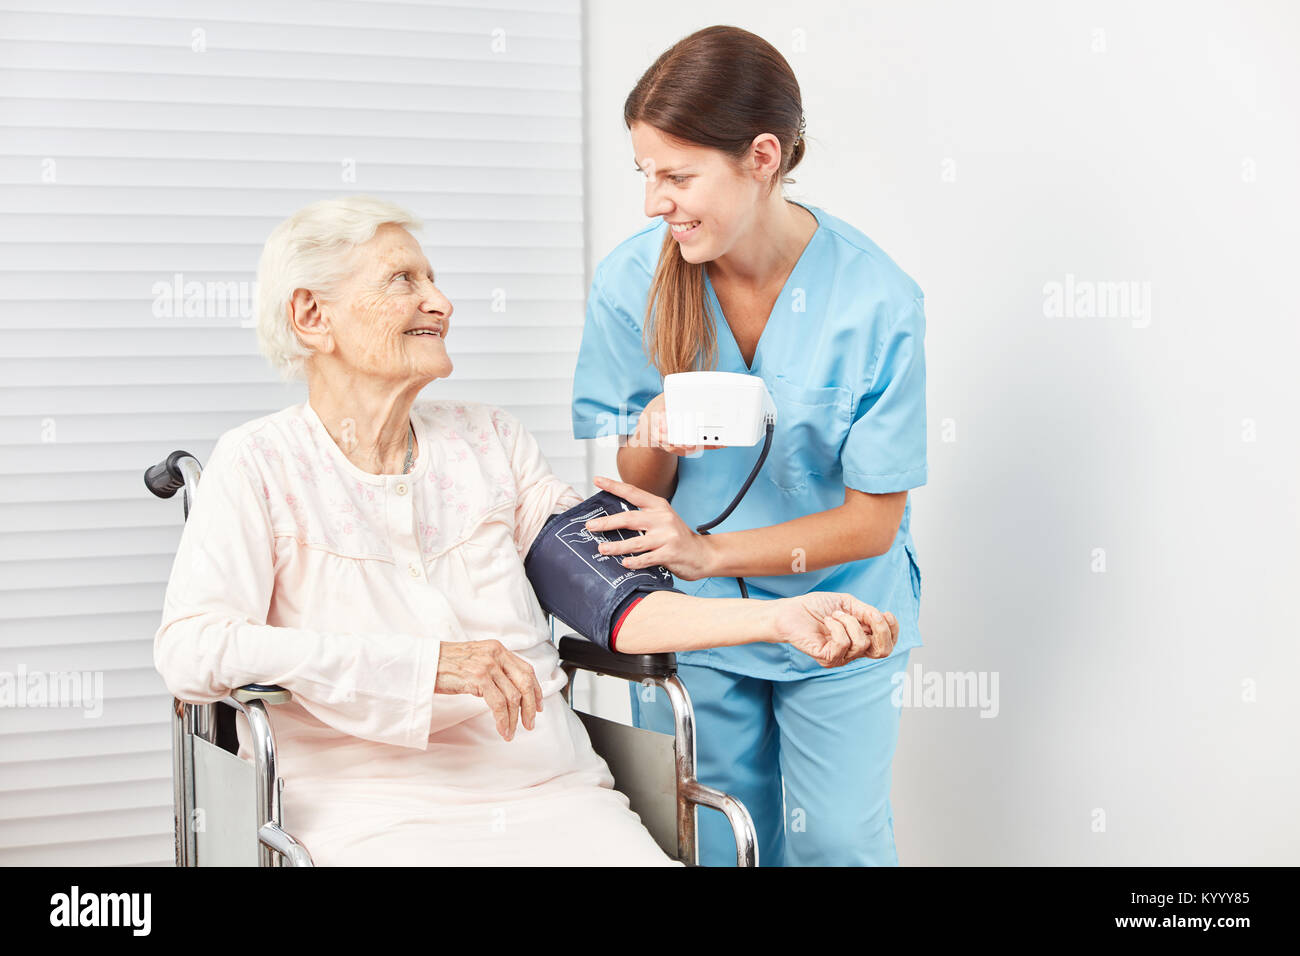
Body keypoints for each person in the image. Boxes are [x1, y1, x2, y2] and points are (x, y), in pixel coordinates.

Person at [153, 194, 900, 866]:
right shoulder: (259, 463)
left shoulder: (490, 443)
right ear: (312, 316)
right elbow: (191, 647)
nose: (440, 301)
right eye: (402, 281)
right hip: (369, 809)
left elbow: (618, 601)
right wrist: (428, 665)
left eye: (433, 278)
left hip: (546, 787)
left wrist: (779, 616)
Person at [572, 26, 928, 866]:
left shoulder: (876, 300)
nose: (654, 201)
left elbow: (873, 522)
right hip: (700, 626)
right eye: (645, 174)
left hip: (841, 611)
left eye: (677, 175)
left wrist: (708, 549)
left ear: (761, 156)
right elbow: (633, 479)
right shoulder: (631, 281)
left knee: (838, 841)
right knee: (717, 836)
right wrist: (650, 437)